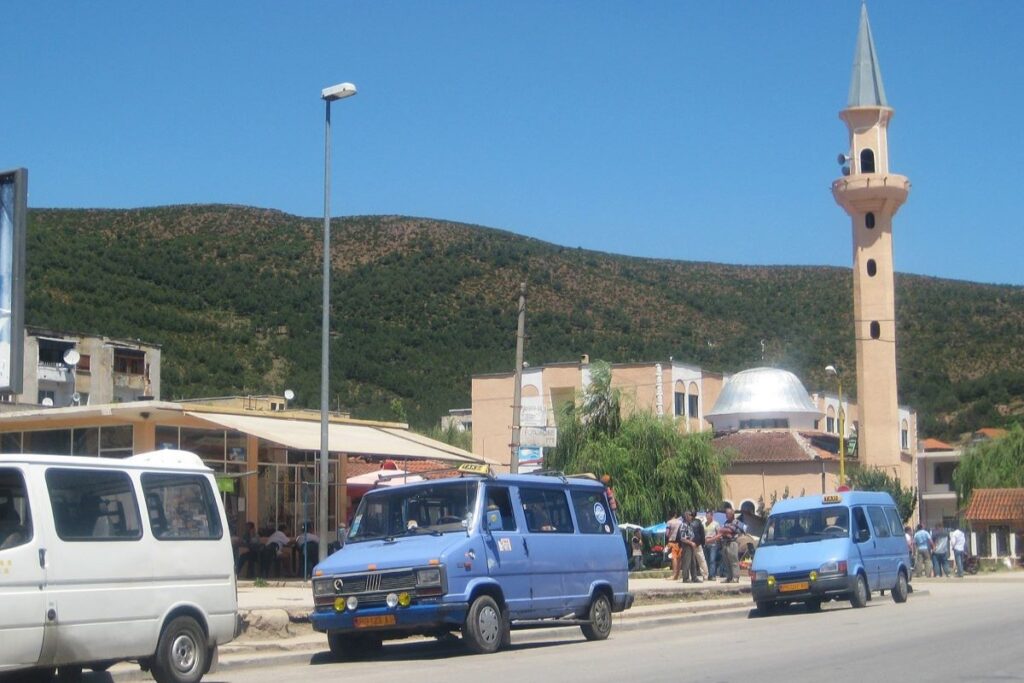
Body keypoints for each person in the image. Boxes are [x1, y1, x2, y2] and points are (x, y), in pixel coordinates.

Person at [719, 506, 743, 583]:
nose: (726, 515)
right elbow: (721, 530)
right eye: (726, 513)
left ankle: (735, 577)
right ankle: (729, 577)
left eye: (728, 513)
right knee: (727, 561)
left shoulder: (736, 522)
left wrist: (724, 531)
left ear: (732, 514)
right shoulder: (726, 522)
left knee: (734, 561)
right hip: (725, 543)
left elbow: (730, 530)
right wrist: (725, 532)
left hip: (733, 543)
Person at [677, 512, 696, 582]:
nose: (691, 517)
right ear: (686, 517)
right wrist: (690, 542)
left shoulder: (690, 525)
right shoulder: (683, 525)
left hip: (692, 545)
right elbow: (682, 538)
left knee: (693, 562)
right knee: (686, 562)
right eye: (690, 515)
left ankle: (694, 577)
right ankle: (685, 578)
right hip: (687, 545)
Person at [689, 511, 708, 582]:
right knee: (702, 560)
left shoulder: (688, 523)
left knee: (690, 561)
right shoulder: (699, 522)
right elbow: (702, 533)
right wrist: (702, 543)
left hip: (690, 544)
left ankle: (690, 576)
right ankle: (705, 575)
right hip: (698, 543)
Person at [703, 510, 721, 581]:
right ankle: (708, 575)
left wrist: (712, 539)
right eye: (706, 515)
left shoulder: (716, 524)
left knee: (712, 560)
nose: (707, 517)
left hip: (713, 545)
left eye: (708, 515)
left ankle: (713, 575)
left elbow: (719, 534)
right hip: (705, 545)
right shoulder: (704, 524)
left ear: (711, 516)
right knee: (706, 560)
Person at [665, 512, 683, 581]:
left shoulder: (669, 522)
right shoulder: (680, 522)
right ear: (675, 515)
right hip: (680, 542)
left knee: (674, 558)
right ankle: (678, 574)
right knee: (679, 558)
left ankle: (674, 575)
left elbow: (667, 533)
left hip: (672, 541)